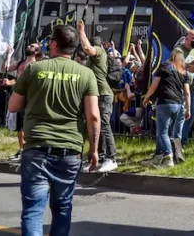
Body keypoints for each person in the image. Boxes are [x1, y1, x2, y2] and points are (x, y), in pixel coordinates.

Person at [8, 25, 100, 236]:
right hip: (70, 149)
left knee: (33, 210)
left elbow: (13, 106)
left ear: (54, 44)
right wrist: (93, 149)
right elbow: (93, 116)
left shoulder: (34, 69)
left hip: (37, 147)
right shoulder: (86, 74)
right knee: (62, 208)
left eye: (50, 41)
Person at [77, 21, 118, 173]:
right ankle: (98, 157)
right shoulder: (91, 61)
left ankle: (111, 158)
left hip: (104, 95)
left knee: (104, 125)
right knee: (95, 128)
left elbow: (87, 47)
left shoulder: (100, 53)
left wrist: (81, 31)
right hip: (95, 95)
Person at [141, 49, 191, 167]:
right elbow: (187, 92)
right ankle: (158, 155)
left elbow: (154, 85)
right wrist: (188, 109)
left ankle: (168, 158)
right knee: (164, 131)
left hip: (165, 103)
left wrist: (147, 96)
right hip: (178, 105)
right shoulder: (184, 72)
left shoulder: (164, 67)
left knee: (162, 132)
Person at [180, 29, 194, 144]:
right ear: (187, 38)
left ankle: (183, 139)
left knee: (192, 113)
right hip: (179, 86)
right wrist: (190, 65)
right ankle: (178, 140)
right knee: (180, 115)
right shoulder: (179, 50)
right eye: (193, 38)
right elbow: (175, 66)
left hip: (191, 86)